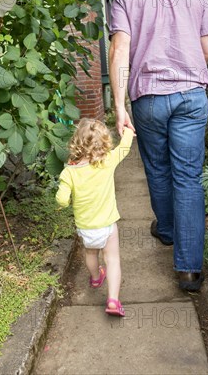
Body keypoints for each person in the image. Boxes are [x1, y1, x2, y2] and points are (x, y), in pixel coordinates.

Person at [109, 0, 208, 292]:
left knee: (157, 168)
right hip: (190, 96)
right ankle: (189, 271)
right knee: (188, 175)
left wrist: (118, 105)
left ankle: (168, 231)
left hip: (148, 97)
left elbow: (119, 50)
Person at [56, 118, 134, 315]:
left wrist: (65, 202)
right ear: (105, 142)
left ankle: (95, 278)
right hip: (107, 225)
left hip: (85, 227)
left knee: (91, 253)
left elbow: (62, 199)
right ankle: (113, 301)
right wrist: (127, 131)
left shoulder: (69, 172)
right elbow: (124, 148)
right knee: (113, 260)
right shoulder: (107, 162)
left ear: (77, 143)